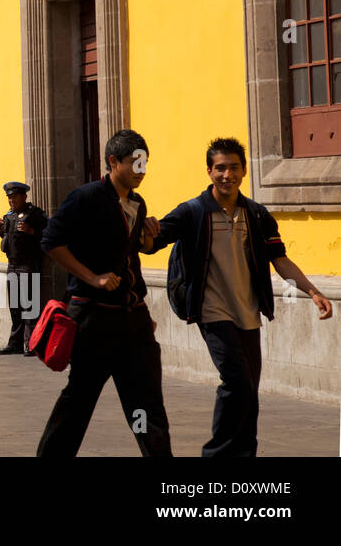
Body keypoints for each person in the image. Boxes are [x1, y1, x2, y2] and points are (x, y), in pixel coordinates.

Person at [151, 137, 333, 457]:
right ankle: (217, 454)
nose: (227, 174)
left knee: (249, 388)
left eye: (233, 168)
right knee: (236, 382)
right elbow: (152, 241)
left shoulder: (257, 215)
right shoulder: (193, 212)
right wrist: (142, 228)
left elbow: (280, 258)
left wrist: (313, 291)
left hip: (248, 310)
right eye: (220, 168)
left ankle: (245, 453)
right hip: (211, 309)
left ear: (244, 171)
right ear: (209, 171)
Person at [36, 129, 171, 457]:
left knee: (144, 405)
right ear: (113, 162)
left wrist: (149, 237)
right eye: (134, 162)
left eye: (145, 163)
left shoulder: (137, 203)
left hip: (133, 323)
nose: (141, 170)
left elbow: (133, 257)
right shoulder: (85, 198)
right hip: (94, 322)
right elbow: (51, 241)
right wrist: (92, 277)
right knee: (79, 402)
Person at [0, 181, 49, 356]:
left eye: (14, 197)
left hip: (28, 265)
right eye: (9, 198)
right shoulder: (9, 216)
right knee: (15, 307)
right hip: (13, 265)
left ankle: (31, 344)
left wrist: (32, 231)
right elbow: (8, 238)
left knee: (29, 307)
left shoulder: (35, 215)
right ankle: (15, 343)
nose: (11, 201)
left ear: (24, 197)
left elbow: (49, 234)